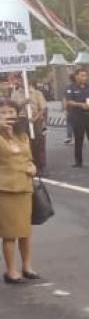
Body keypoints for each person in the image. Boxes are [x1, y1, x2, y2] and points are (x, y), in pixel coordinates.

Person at [0, 98, 37, 283]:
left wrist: (33, 167)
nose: (8, 116)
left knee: (25, 231)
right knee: (9, 234)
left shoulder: (21, 134)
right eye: (4, 112)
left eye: (11, 112)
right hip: (6, 190)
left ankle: (27, 266)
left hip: (25, 187)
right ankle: (10, 271)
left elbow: (29, 157)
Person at [64, 67, 89, 167]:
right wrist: (80, 105)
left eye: (85, 75)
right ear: (76, 76)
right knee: (79, 140)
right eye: (82, 75)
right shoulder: (70, 88)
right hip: (78, 116)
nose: (84, 77)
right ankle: (78, 161)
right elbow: (69, 101)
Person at [10, 74, 47, 174]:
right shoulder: (15, 94)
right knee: (24, 142)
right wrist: (23, 103)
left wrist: (35, 118)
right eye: (20, 80)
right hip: (21, 120)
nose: (20, 82)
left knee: (38, 142)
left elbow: (42, 108)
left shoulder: (37, 93)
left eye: (23, 79)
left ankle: (40, 166)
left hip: (35, 120)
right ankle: (25, 164)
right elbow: (13, 108)